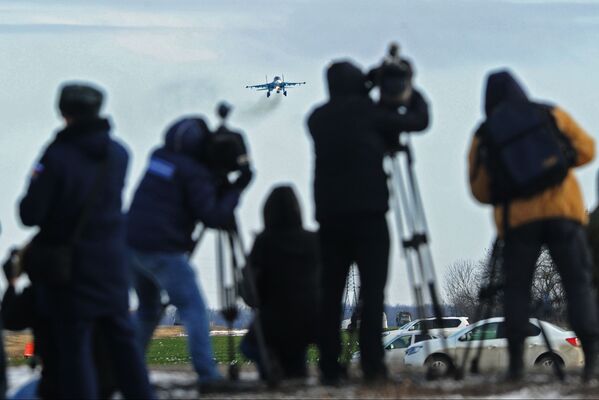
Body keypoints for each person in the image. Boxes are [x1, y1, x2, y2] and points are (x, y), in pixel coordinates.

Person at [18, 83, 154, 398]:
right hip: (111, 264)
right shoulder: (118, 154)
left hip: (71, 270)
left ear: (63, 111)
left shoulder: (58, 155)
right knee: (124, 347)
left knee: (76, 352)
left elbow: (30, 213)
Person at [468, 69, 599, 382]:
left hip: (518, 220)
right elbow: (588, 150)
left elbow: (480, 190)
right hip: (563, 211)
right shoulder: (548, 113)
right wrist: (559, 161)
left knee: (516, 290)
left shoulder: (485, 133)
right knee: (577, 285)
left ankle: (515, 365)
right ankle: (592, 362)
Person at [306, 60, 429, 384]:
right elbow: (418, 120)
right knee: (372, 293)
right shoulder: (370, 114)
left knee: (330, 294)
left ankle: (329, 368)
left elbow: (347, 108)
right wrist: (405, 85)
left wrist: (366, 86)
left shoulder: (317, 119)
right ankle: (373, 366)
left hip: (330, 219)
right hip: (370, 216)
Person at [127, 116, 252, 388]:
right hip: (162, 249)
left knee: (148, 310)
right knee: (193, 308)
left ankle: (126, 375)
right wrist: (236, 189)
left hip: (130, 245)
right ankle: (208, 375)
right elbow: (213, 216)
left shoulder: (160, 156)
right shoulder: (195, 173)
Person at [239, 184, 320, 380]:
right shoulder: (313, 240)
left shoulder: (264, 242)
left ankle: (270, 363)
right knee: (295, 361)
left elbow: (251, 291)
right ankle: (293, 374)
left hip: (274, 320)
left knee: (248, 346)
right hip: (312, 320)